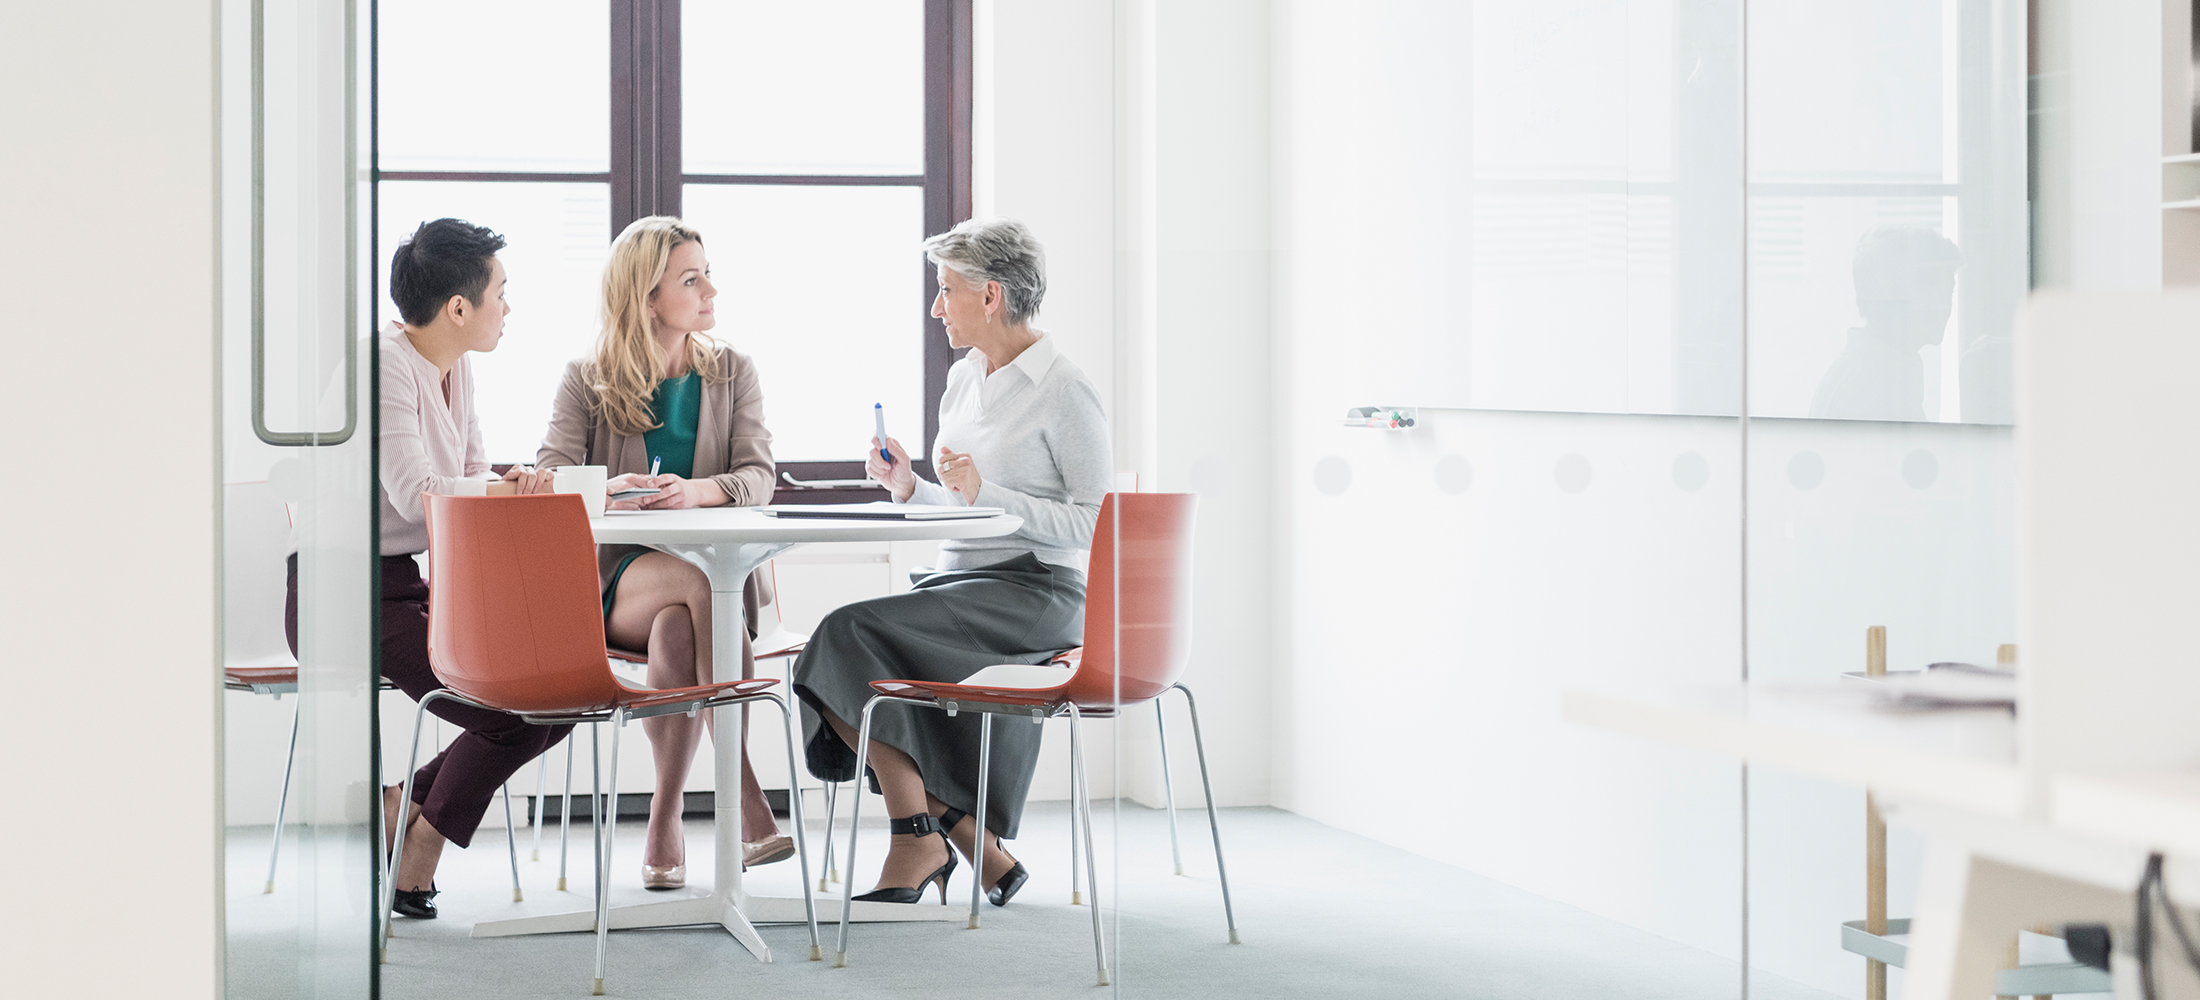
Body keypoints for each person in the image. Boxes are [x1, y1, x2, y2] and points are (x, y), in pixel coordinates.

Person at [793, 218, 1111, 907]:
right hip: (962, 583)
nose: (937, 307)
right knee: (838, 657)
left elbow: (1092, 525)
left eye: (946, 290)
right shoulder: (964, 378)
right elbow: (968, 506)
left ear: (990, 296)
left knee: (843, 635)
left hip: (1036, 590)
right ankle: (959, 835)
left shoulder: (1064, 389)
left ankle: (922, 836)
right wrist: (912, 487)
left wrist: (985, 491)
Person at [529, 216, 790, 890]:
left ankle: (664, 816)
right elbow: (550, 477)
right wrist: (612, 490)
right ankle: (747, 798)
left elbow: (759, 475)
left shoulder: (732, 371)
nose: (710, 289)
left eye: (706, 273)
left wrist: (697, 492)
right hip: (620, 582)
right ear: (648, 297)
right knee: (702, 586)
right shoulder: (586, 379)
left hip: (706, 588)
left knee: (684, 622)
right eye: (690, 278)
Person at [335, 217, 570, 919]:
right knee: (517, 716)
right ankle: (422, 851)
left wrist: (510, 478)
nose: (508, 306)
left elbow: (467, 474)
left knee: (550, 700)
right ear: (459, 308)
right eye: (501, 292)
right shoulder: (383, 363)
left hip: (412, 586)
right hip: (348, 593)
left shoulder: (453, 366)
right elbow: (419, 493)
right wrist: (496, 488)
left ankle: (403, 804)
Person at [1809, 227, 1963, 421]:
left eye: (1949, 291)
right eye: (1929, 287)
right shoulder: (1869, 388)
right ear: (1888, 293)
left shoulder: (1875, 374)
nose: (1943, 304)